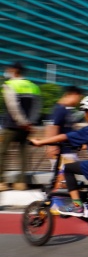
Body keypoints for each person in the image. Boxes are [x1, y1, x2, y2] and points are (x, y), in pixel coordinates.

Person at [0, 62, 42, 192]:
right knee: (23, 155)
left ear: (14, 70)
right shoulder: (33, 86)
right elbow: (37, 107)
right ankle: (21, 182)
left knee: (3, 153)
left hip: (12, 125)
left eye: (8, 69)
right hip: (27, 127)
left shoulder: (9, 85)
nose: (6, 71)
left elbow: (13, 106)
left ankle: (1, 182)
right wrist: (30, 122)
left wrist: (22, 122)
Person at [45, 86, 83, 193]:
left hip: (68, 151)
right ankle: (55, 204)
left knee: (66, 181)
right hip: (63, 152)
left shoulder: (66, 110)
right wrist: (52, 147)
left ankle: (59, 203)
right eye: (78, 98)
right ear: (73, 95)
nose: (78, 101)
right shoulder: (59, 110)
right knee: (62, 181)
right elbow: (53, 127)